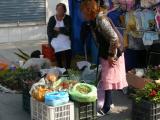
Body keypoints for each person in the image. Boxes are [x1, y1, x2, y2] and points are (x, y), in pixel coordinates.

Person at [80, 0, 128, 115]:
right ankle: (109, 103)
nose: (82, 13)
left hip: (112, 53)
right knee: (107, 79)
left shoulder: (101, 20)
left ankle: (106, 107)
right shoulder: (94, 20)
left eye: (83, 11)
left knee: (107, 79)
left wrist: (111, 55)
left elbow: (114, 38)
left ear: (88, 10)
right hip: (106, 51)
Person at [47, 3, 72, 69]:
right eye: (58, 9)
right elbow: (49, 31)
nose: (59, 11)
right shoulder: (52, 18)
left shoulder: (68, 18)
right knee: (57, 48)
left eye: (61, 9)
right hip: (55, 38)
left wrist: (58, 29)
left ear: (64, 10)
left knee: (68, 48)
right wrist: (62, 30)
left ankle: (68, 67)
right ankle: (60, 67)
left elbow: (69, 30)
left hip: (66, 38)